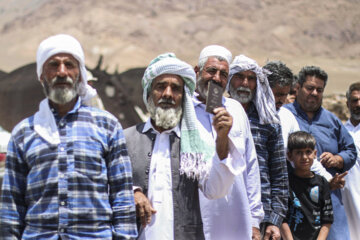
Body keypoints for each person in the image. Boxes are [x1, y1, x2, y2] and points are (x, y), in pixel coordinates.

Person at [0, 34, 137, 239]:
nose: (61, 72)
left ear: (79, 74)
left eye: (69, 64)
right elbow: (11, 204)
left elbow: (122, 196)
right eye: (53, 65)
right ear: (41, 75)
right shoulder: (24, 132)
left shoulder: (107, 126)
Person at [124, 53, 242, 240]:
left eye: (176, 88)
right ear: (149, 94)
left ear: (184, 97)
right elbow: (105, 185)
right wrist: (133, 192)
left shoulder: (196, 142)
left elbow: (216, 190)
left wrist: (222, 139)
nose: (168, 94)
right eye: (161, 87)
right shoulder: (126, 139)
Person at [194, 46, 263, 240]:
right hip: (199, 219)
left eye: (223, 74)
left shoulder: (235, 109)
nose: (217, 78)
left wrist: (255, 221)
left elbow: (250, 167)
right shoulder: (185, 112)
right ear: (197, 72)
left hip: (237, 219)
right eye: (211, 71)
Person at [284, 66, 356, 240]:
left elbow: (351, 150)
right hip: (295, 199)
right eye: (310, 88)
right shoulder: (285, 115)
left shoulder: (331, 120)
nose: (314, 93)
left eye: (319, 90)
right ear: (298, 87)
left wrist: (338, 159)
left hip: (329, 196)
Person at [227, 55, 288, 240]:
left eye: (251, 78)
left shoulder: (268, 121)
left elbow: (279, 175)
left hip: (260, 217)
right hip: (223, 209)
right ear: (229, 80)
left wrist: (274, 221)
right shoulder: (216, 114)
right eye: (239, 77)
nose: (245, 83)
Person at [263, 61, 332, 180]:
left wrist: (328, 178)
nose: (282, 100)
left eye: (285, 94)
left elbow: (303, 151)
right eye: (278, 94)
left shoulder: (286, 116)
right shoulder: (247, 114)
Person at [281, 131, 333, 240]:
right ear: (290, 155)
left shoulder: (322, 183)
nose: (304, 157)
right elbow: (281, 217)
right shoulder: (285, 182)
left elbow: (327, 219)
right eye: (299, 152)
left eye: (308, 152)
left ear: (315, 154)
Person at [342, 82, 360, 239]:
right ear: (347, 103)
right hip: (343, 201)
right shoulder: (340, 131)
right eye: (354, 100)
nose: (358, 104)